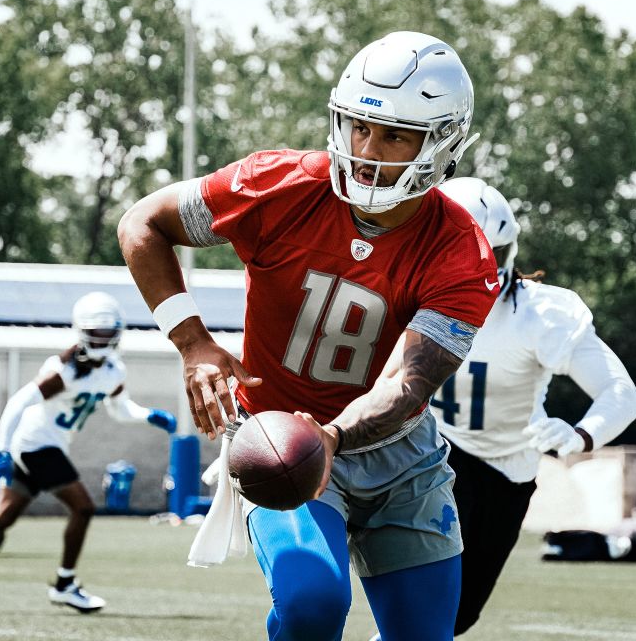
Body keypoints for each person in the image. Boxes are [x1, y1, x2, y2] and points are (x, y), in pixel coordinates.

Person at [118, 31, 498, 641]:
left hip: (399, 454)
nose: (368, 150)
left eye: (396, 134)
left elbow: (406, 383)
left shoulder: (461, 250)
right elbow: (143, 222)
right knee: (312, 602)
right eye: (358, 127)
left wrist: (332, 435)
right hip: (279, 435)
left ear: (443, 141)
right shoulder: (281, 185)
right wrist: (192, 341)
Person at [423, 177, 636, 635]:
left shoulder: (539, 315)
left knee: (456, 617)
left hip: (501, 471)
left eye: (489, 253)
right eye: (461, 251)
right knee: (419, 603)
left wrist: (582, 434)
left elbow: (620, 393)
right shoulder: (400, 292)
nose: (477, 267)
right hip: (425, 452)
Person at [0, 291, 177, 613]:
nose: (103, 339)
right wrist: (3, 449)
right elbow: (20, 402)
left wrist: (148, 414)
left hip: (44, 447)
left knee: (1, 518)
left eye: (109, 332)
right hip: (36, 446)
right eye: (97, 332)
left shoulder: (112, 371)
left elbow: (119, 409)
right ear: (82, 331)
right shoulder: (64, 370)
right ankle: (65, 584)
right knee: (83, 508)